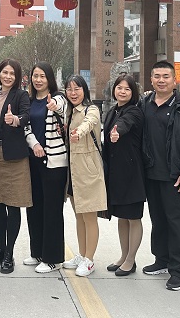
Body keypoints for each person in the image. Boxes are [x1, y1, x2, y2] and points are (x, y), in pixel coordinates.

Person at [140, 60, 180, 291]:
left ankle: (178, 270)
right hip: (151, 173)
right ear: (151, 79)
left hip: (175, 176)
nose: (161, 80)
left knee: (177, 224)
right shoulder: (145, 103)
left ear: (174, 80)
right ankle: (161, 260)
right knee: (158, 220)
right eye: (157, 76)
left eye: (166, 76)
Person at [0, 59, 32, 274]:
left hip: (15, 159)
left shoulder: (21, 96)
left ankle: (9, 253)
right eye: (5, 72)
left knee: (13, 205)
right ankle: (0, 249)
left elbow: (26, 116)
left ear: (17, 76)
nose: (8, 76)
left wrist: (15, 119)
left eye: (12, 73)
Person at [24, 62, 68, 273]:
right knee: (34, 207)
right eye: (35, 76)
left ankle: (53, 258)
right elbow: (25, 127)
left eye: (42, 76)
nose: (38, 80)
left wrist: (54, 106)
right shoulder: (29, 101)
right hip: (34, 158)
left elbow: (62, 109)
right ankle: (37, 252)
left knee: (52, 210)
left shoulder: (58, 98)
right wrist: (34, 144)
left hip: (54, 163)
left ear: (49, 78)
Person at [61, 75, 106, 278]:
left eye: (77, 89)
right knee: (79, 216)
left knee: (89, 217)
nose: (73, 93)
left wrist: (79, 132)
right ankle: (81, 254)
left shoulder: (91, 109)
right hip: (73, 172)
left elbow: (89, 123)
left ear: (84, 90)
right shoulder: (69, 112)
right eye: (69, 89)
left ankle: (89, 259)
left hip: (88, 172)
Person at [102, 75, 145, 277]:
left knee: (133, 217)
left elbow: (125, 124)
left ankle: (131, 260)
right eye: (119, 88)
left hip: (132, 173)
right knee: (122, 217)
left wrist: (117, 131)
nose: (122, 92)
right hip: (117, 174)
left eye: (127, 89)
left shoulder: (134, 111)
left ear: (133, 92)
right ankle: (123, 256)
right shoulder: (112, 110)